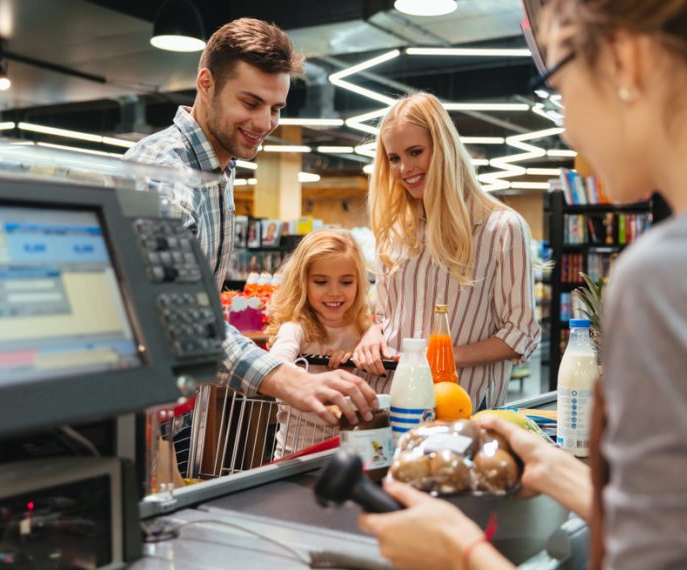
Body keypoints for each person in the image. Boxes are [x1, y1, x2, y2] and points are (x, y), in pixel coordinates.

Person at [360, 1, 687, 569]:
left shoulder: (674, 275)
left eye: (561, 84)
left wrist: (459, 554)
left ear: (627, 61)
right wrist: (570, 479)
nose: (568, 125)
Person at [124, 18, 376, 426]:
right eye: (251, 103)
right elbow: (174, 315)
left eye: (276, 108)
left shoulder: (218, 168)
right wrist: (286, 379)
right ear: (206, 83)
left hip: (166, 406)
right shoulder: (164, 177)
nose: (265, 124)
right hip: (129, 408)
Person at [353, 92, 541, 409]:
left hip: (459, 404)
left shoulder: (500, 229)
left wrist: (443, 357)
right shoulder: (396, 231)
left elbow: (521, 333)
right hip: (392, 397)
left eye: (416, 152)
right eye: (394, 158)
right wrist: (372, 333)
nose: (404, 168)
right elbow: (386, 316)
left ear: (444, 149)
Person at [266, 229, 390, 458]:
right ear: (302, 283)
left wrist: (355, 360)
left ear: (359, 283)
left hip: (355, 453)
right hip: (297, 456)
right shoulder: (296, 329)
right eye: (321, 282)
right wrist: (322, 380)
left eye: (346, 282)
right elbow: (275, 364)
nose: (335, 292)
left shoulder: (364, 332)